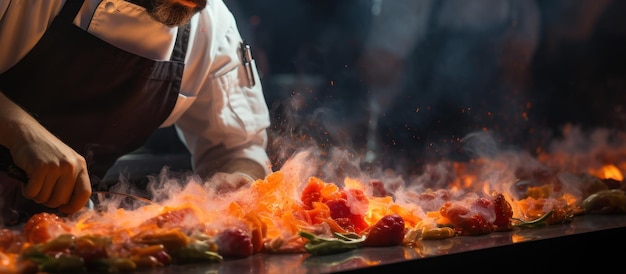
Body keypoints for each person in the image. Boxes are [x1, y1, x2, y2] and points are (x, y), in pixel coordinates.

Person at [0, 0, 272, 223]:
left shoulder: (213, 27)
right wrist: (20, 132)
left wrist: (237, 179)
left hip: (55, 239)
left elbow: (238, 150)